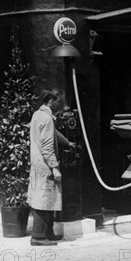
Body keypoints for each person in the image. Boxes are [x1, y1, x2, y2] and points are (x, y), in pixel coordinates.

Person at [27, 88, 76, 246]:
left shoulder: (38, 115)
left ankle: (48, 233)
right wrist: (54, 168)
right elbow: (47, 147)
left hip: (37, 164)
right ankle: (38, 237)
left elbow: (52, 133)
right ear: (51, 101)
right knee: (44, 200)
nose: (59, 105)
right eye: (57, 101)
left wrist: (67, 142)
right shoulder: (47, 119)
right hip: (45, 166)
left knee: (47, 199)